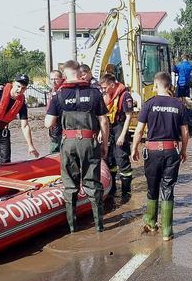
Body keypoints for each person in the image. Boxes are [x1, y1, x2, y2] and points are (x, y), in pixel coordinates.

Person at [45, 60, 109, 233]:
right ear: (80, 73)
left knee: (70, 185)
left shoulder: (58, 95)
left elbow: (48, 123)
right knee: (93, 183)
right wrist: (104, 144)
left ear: (65, 75)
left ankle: (73, 228)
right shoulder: (94, 93)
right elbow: (104, 120)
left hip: (68, 143)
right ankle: (99, 227)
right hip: (90, 141)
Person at [131, 71, 189, 241]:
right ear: (170, 86)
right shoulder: (178, 105)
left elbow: (140, 130)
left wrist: (134, 148)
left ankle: (150, 222)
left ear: (155, 86)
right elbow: (185, 132)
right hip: (172, 151)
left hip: (153, 151)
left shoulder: (149, 104)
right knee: (168, 188)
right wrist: (184, 150)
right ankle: (167, 232)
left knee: (152, 187)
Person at [99, 73, 133, 198]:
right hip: (109, 128)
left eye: (104, 87)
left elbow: (129, 117)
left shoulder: (125, 96)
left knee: (122, 158)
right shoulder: (107, 97)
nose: (103, 90)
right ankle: (112, 190)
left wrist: (123, 135)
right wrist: (100, 133)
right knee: (109, 159)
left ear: (112, 85)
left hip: (120, 126)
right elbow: (104, 117)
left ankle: (126, 192)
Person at [47, 70, 64, 153]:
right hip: (53, 127)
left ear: (61, 79)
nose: (53, 81)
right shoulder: (53, 91)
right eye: (51, 79)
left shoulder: (63, 91)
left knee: (59, 149)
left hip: (61, 125)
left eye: (56, 79)